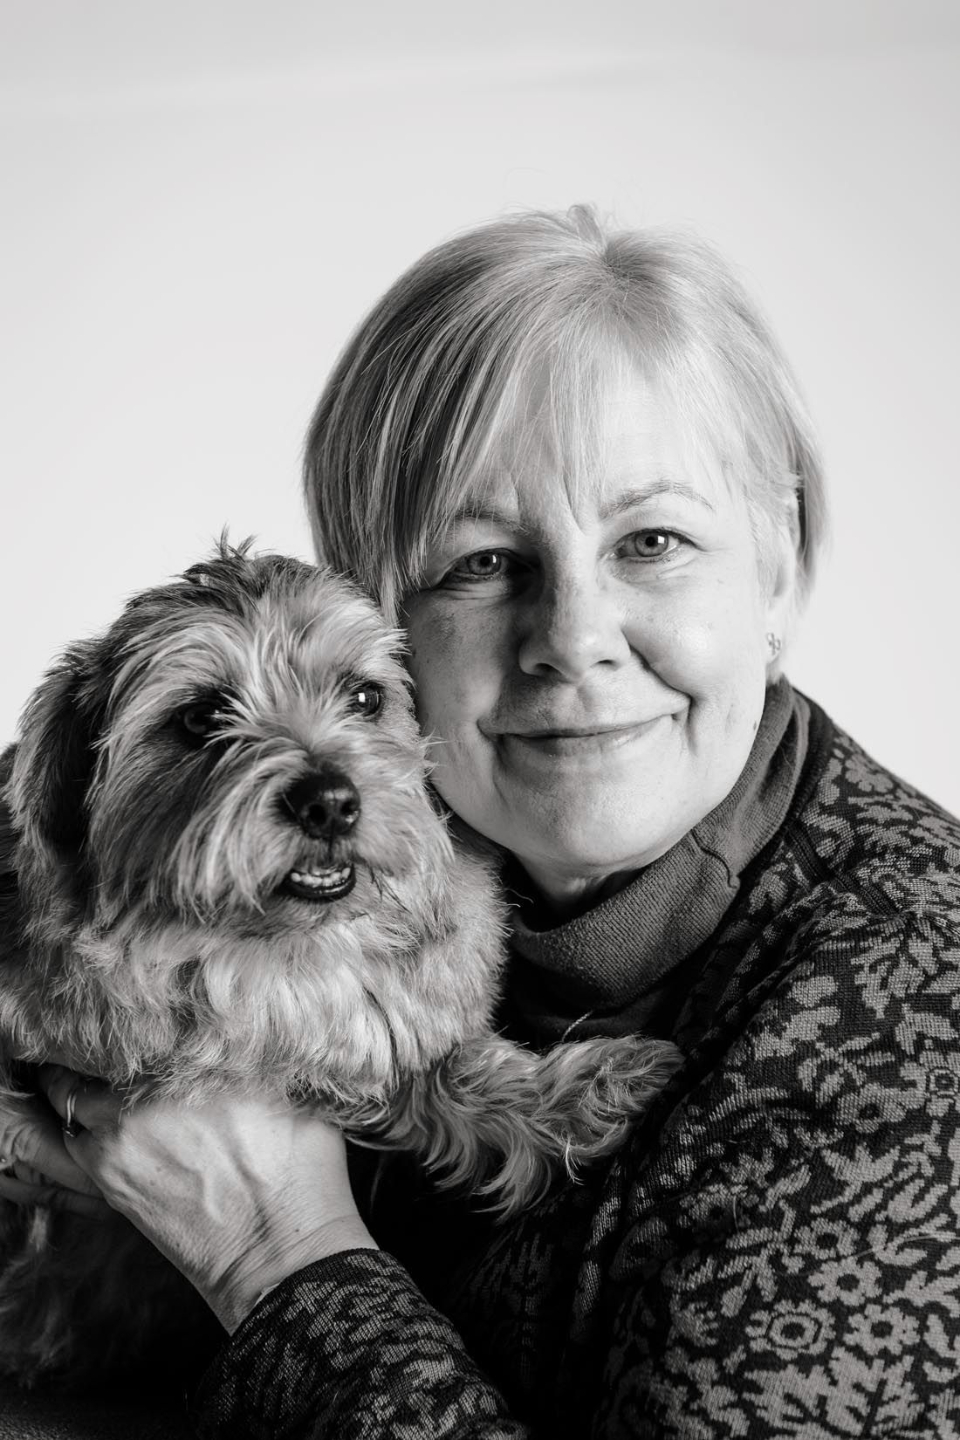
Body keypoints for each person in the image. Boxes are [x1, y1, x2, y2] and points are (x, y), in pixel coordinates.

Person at [3, 205, 960, 1439]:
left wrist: (275, 1253)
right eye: (482, 563)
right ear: (389, 614)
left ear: (780, 568)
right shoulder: (417, 882)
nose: (573, 639)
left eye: (654, 540)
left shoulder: (907, 1028)